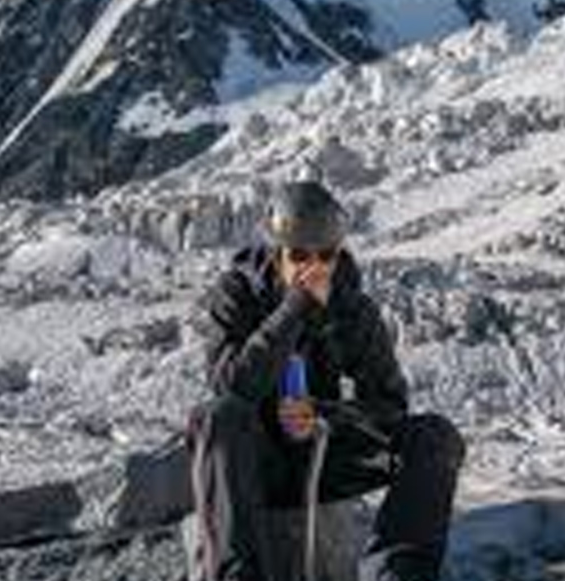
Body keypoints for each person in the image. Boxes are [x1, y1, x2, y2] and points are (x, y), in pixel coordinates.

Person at [190, 180, 465, 581]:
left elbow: (389, 405)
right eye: (299, 255)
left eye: (326, 255)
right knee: (215, 417)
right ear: (276, 251)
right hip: (256, 462)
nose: (313, 267)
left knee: (433, 437)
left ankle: (397, 574)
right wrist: (293, 310)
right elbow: (231, 386)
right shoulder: (237, 294)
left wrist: (324, 416)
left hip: (323, 452)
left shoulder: (352, 307)